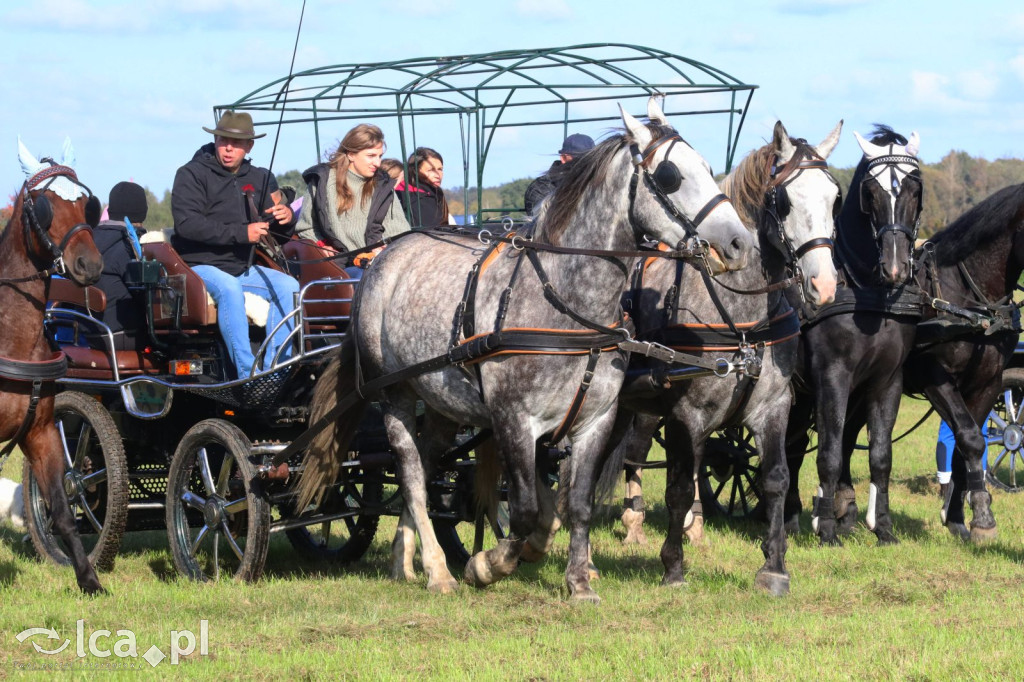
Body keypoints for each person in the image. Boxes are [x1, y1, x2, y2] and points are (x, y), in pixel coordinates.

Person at [171, 110, 300, 378]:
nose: (228, 148)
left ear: (249, 146)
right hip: (199, 267)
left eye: (236, 143)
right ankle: (248, 375)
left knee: (290, 286)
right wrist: (242, 234)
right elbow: (187, 225)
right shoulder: (191, 174)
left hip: (243, 267)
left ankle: (276, 371)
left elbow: (272, 222)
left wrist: (285, 218)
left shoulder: (260, 178)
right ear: (215, 140)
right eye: (222, 140)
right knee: (229, 289)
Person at [295, 124, 410, 267]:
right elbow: (306, 227)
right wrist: (321, 245)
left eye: (380, 156)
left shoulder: (383, 185)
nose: (378, 163)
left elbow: (400, 232)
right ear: (350, 154)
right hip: (336, 265)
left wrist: (381, 249)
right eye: (371, 156)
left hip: (376, 263)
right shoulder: (322, 181)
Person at [91, 181, 148, 347]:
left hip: (84, 331)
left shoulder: (90, 240)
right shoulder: (129, 245)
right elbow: (145, 296)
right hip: (117, 336)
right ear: (142, 212)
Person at [523, 133, 595, 215]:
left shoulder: (595, 184)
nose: (586, 164)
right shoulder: (540, 188)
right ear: (564, 158)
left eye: (591, 160)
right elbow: (544, 222)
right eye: (580, 159)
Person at [395, 147, 450, 229]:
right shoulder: (412, 195)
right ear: (415, 171)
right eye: (430, 170)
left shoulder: (435, 193)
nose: (438, 175)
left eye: (440, 169)